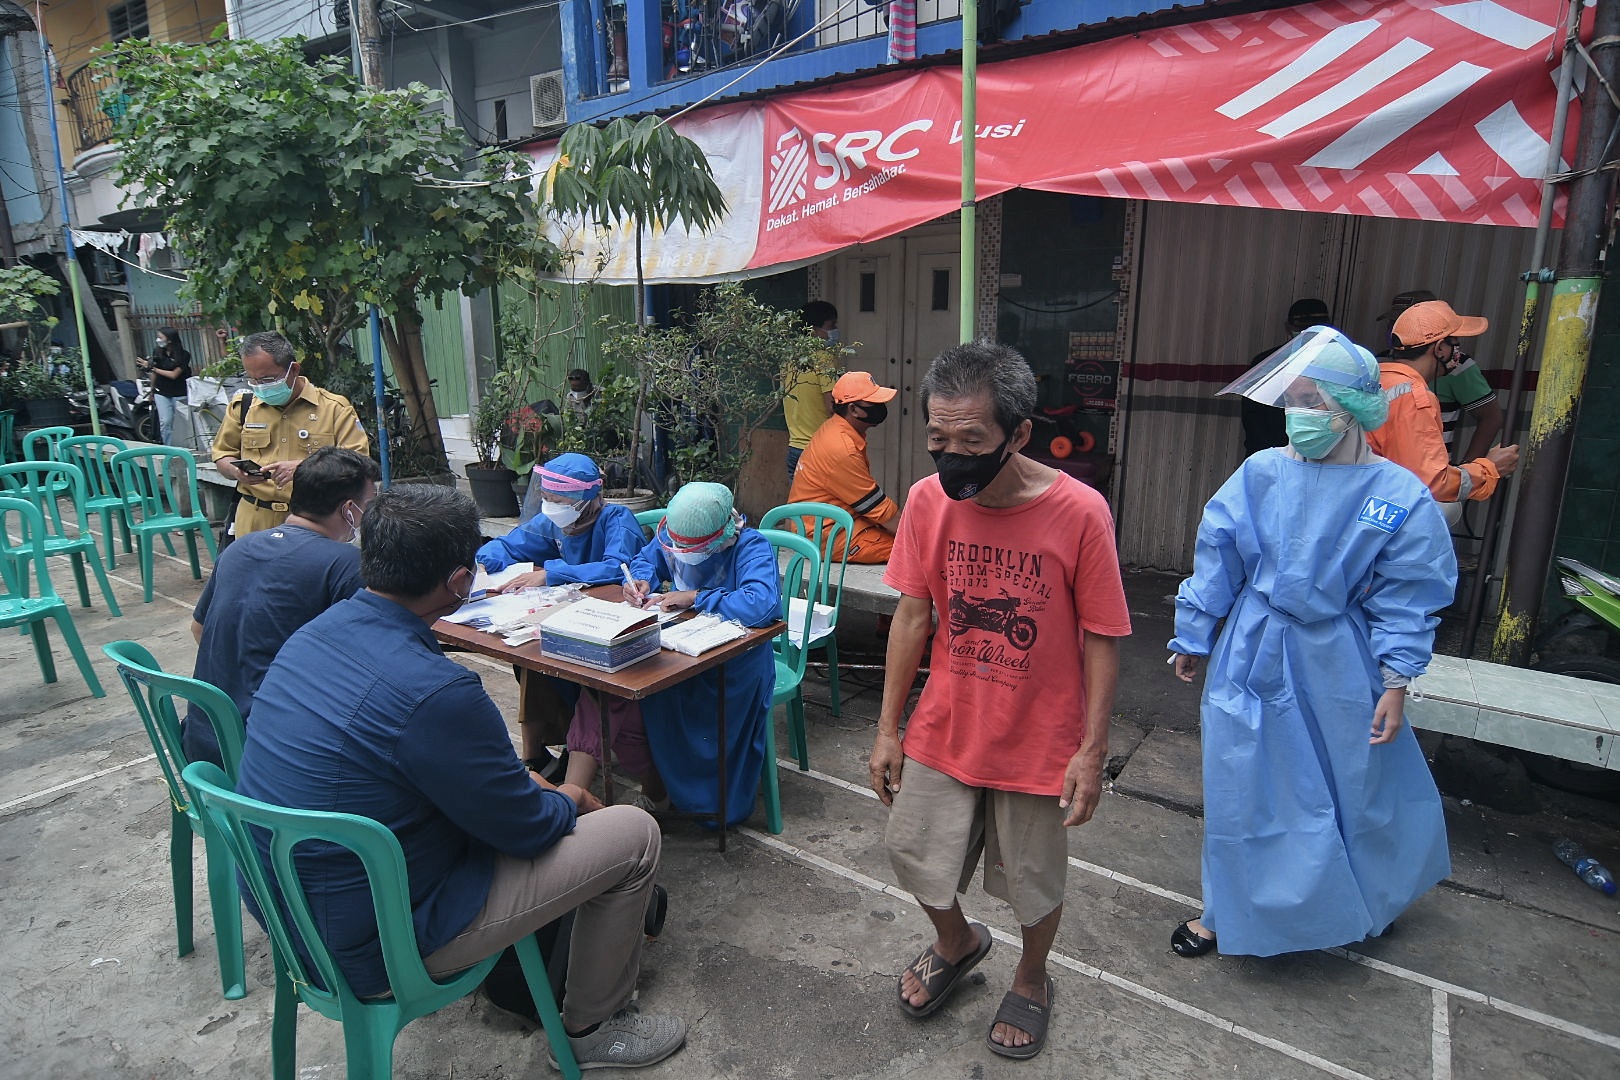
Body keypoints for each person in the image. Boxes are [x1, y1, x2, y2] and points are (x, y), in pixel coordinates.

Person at [236, 485, 687, 1070]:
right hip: (375, 946)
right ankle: (593, 1028)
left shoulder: (312, 635)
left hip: (288, 914)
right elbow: (527, 831)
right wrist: (569, 796)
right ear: (458, 581)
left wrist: (525, 787)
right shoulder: (437, 692)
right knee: (634, 833)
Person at [867, 343, 1130, 1060]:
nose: (951, 456)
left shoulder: (1080, 511)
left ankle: (1032, 976)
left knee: (1033, 883)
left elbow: (1103, 635)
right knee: (910, 849)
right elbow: (913, 617)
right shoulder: (927, 502)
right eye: (938, 439)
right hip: (948, 720)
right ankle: (957, 942)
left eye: (972, 441)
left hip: (1040, 734)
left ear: (1019, 434)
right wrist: (888, 728)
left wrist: (1092, 750)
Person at [1167, 325, 1455, 960]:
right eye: (1292, 401)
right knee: (1242, 783)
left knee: (1354, 784)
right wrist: (1194, 633)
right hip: (1253, 647)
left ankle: (1367, 900)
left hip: (1339, 658)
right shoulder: (1260, 473)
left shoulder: (1397, 495)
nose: (1298, 415)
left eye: (1313, 402)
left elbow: (1409, 594)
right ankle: (1224, 914)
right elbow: (1218, 557)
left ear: (1352, 409)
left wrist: (1396, 679)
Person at [475, 453, 662, 803]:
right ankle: (535, 756)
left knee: (597, 691)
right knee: (529, 659)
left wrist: (551, 573)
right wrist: (486, 565)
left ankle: (577, 782)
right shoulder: (555, 522)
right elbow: (509, 544)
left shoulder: (616, 521)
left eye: (559, 501)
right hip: (565, 618)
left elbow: (616, 567)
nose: (551, 507)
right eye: (547, 498)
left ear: (587, 500)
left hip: (610, 628)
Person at [185, 447, 380, 768]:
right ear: (349, 509)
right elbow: (373, 668)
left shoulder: (240, 548)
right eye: (368, 505)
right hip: (274, 758)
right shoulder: (345, 565)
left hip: (206, 744)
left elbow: (199, 630)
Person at [622, 482, 780, 826]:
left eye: (690, 548)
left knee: (713, 722)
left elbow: (761, 605)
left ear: (721, 534)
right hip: (680, 650)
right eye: (676, 545)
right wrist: (641, 581)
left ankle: (714, 805)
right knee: (648, 693)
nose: (680, 552)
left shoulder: (750, 546)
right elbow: (646, 559)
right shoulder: (676, 534)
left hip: (736, 663)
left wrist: (696, 597)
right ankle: (666, 789)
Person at [1364, 300, 1519, 525]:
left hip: (1360, 506)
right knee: (1447, 509)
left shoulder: (1374, 379)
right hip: (1382, 515)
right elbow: (1433, 484)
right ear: (1439, 349)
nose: (1459, 352)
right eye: (1455, 343)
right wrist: (1489, 468)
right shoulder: (1414, 397)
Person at [211, 331, 369, 541]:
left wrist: (305, 468)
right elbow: (222, 455)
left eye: (268, 379)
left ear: (293, 369)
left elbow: (359, 464)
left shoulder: (334, 408)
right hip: (254, 521)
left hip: (315, 521)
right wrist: (236, 471)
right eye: (253, 380)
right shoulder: (243, 407)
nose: (261, 386)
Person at [1377, 290, 1505, 463]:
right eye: (1396, 323)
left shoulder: (1458, 369)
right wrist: (1480, 472)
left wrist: (1467, 470)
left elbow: (1491, 417)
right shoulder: (1381, 368)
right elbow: (1429, 474)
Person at [787, 370, 900, 563]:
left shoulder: (837, 430)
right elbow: (878, 509)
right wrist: (922, 537)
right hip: (824, 534)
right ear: (853, 409)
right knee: (909, 551)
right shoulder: (842, 448)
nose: (880, 407)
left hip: (829, 524)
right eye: (873, 403)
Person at [1241, 298, 1331, 456]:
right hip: (1274, 453)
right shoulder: (1266, 363)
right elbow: (1253, 417)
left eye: (1314, 327)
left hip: (1315, 455)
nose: (1307, 333)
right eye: (1302, 327)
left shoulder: (1340, 364)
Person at [783, 300, 841, 483]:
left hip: (795, 447)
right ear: (813, 330)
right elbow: (831, 406)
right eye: (831, 326)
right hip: (818, 448)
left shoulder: (790, 358)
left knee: (799, 501)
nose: (835, 331)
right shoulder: (823, 359)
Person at [139, 327, 191, 446]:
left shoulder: (184, 355)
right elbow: (154, 374)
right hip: (161, 392)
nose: (158, 340)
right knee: (166, 421)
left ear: (170, 339)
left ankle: (185, 446)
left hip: (180, 392)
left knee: (182, 421)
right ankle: (168, 446)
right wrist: (152, 390)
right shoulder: (157, 352)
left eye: (160, 337)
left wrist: (152, 368)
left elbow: (174, 375)